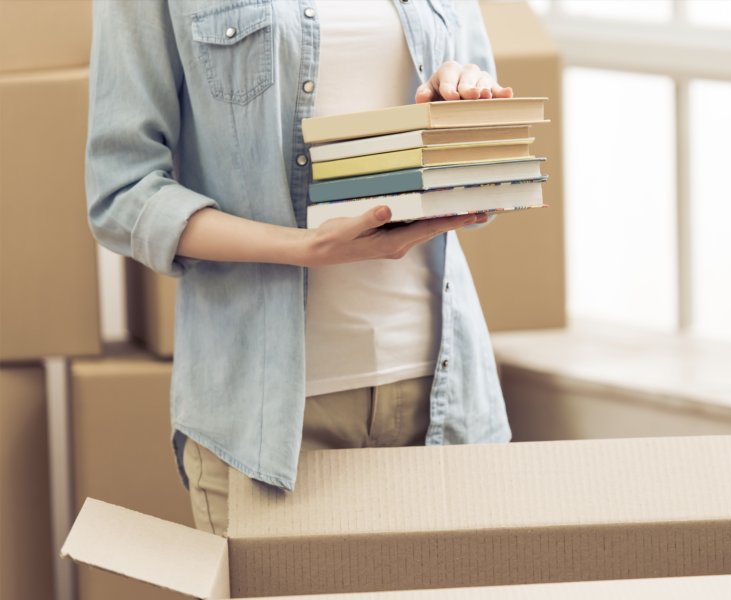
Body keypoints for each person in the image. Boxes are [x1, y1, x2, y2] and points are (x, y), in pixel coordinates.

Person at [87, 0, 513, 535]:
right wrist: (303, 247)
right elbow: (121, 193)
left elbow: (484, 164)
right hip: (266, 421)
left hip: (447, 400)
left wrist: (464, 96)